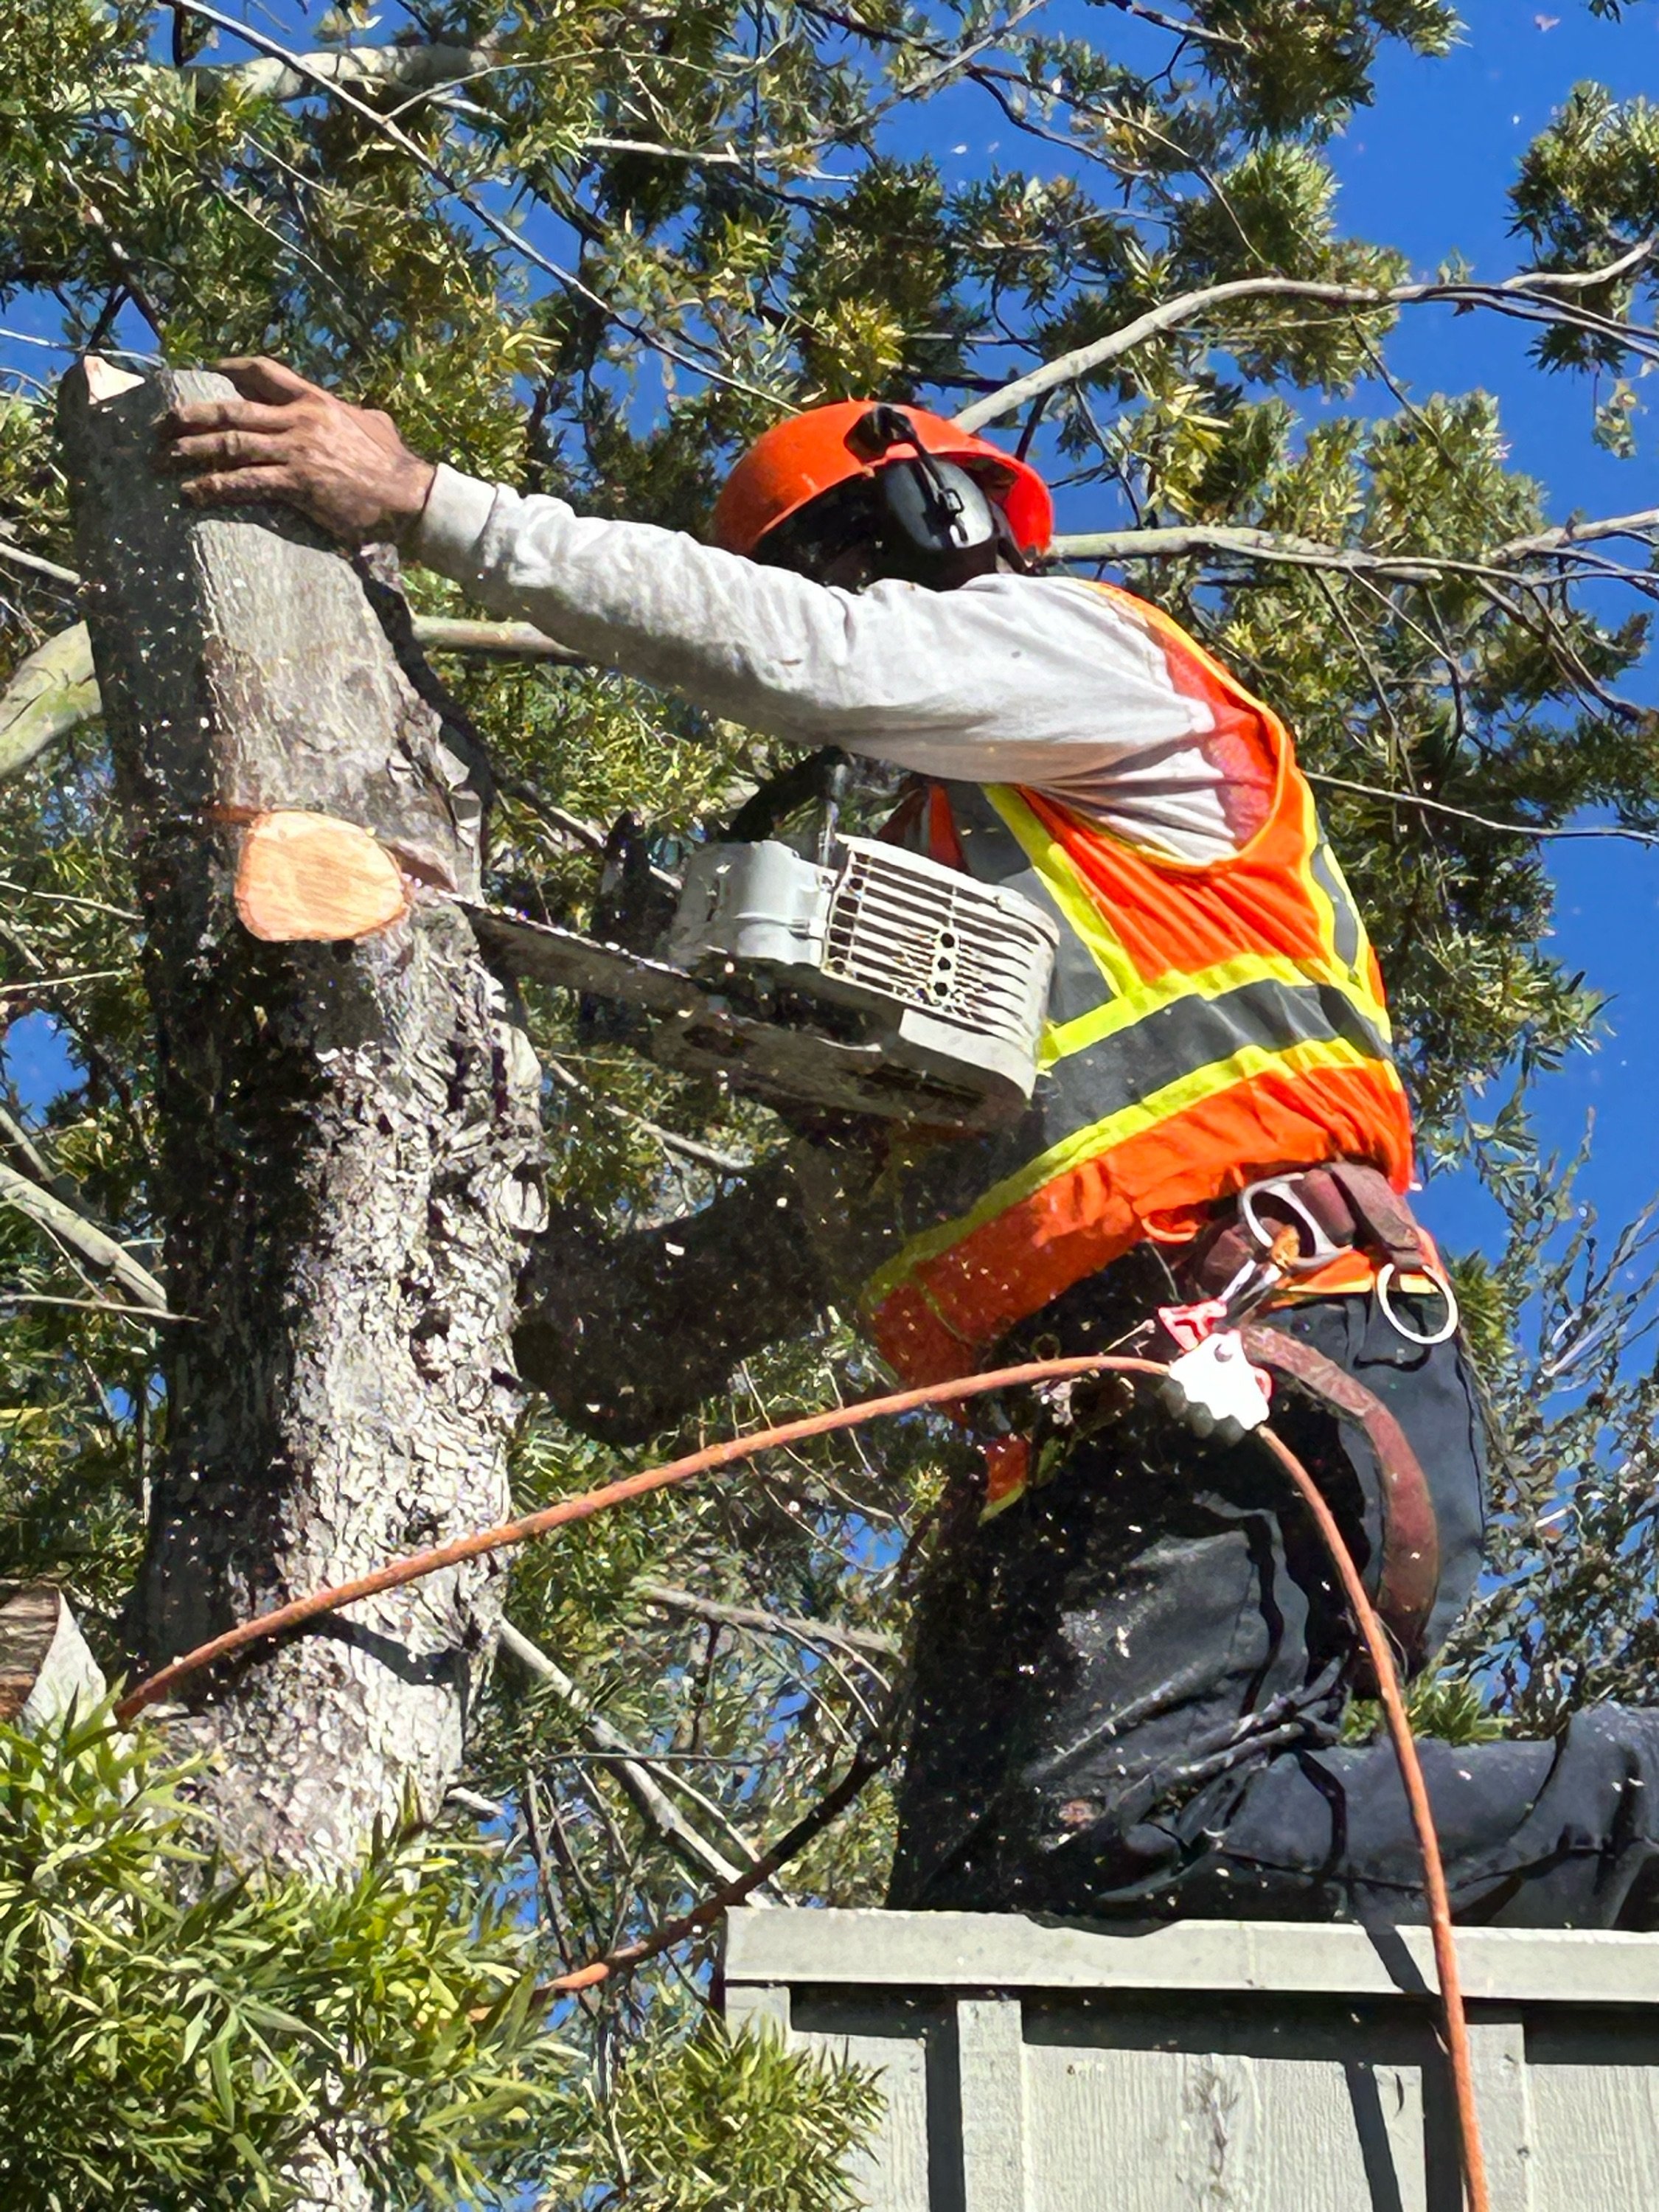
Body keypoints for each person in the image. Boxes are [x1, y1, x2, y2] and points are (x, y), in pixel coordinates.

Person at [158, 358, 1659, 1930]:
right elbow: (665, 1326)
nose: (842, 609)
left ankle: (1626, 1816)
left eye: (840, 566)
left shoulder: (1103, 671)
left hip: (1270, 1333)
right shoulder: (931, 974)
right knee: (989, 1923)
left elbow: (824, 659)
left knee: (1107, 1838)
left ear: (937, 524)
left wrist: (430, 507)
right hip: (1083, 1438)